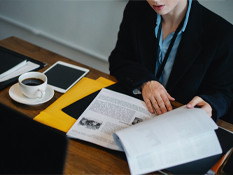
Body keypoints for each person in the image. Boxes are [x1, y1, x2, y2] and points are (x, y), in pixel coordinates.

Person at [108, 0, 233, 122]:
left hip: (181, 121)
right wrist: (145, 82)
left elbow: (224, 91)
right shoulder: (136, 7)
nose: (155, 1)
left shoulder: (223, 33)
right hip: (137, 108)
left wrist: (210, 103)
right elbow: (119, 59)